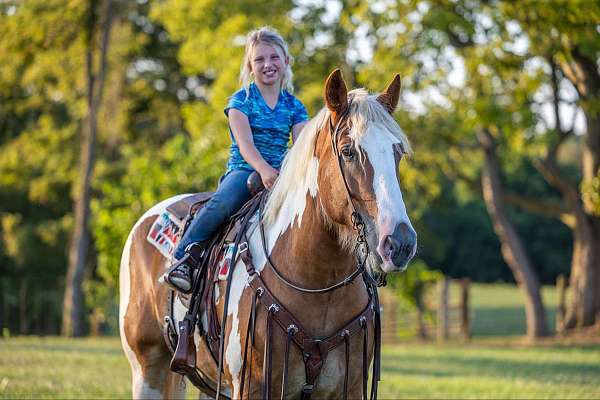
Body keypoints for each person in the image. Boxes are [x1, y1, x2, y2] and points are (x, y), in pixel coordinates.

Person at [162, 26, 309, 293]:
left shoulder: (295, 106)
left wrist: (294, 173)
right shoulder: (241, 101)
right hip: (246, 170)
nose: (268, 64)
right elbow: (245, 144)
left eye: (274, 57)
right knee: (223, 203)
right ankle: (184, 256)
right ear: (250, 67)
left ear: (286, 61)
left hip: (283, 172)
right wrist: (264, 170)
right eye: (259, 59)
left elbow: (301, 146)